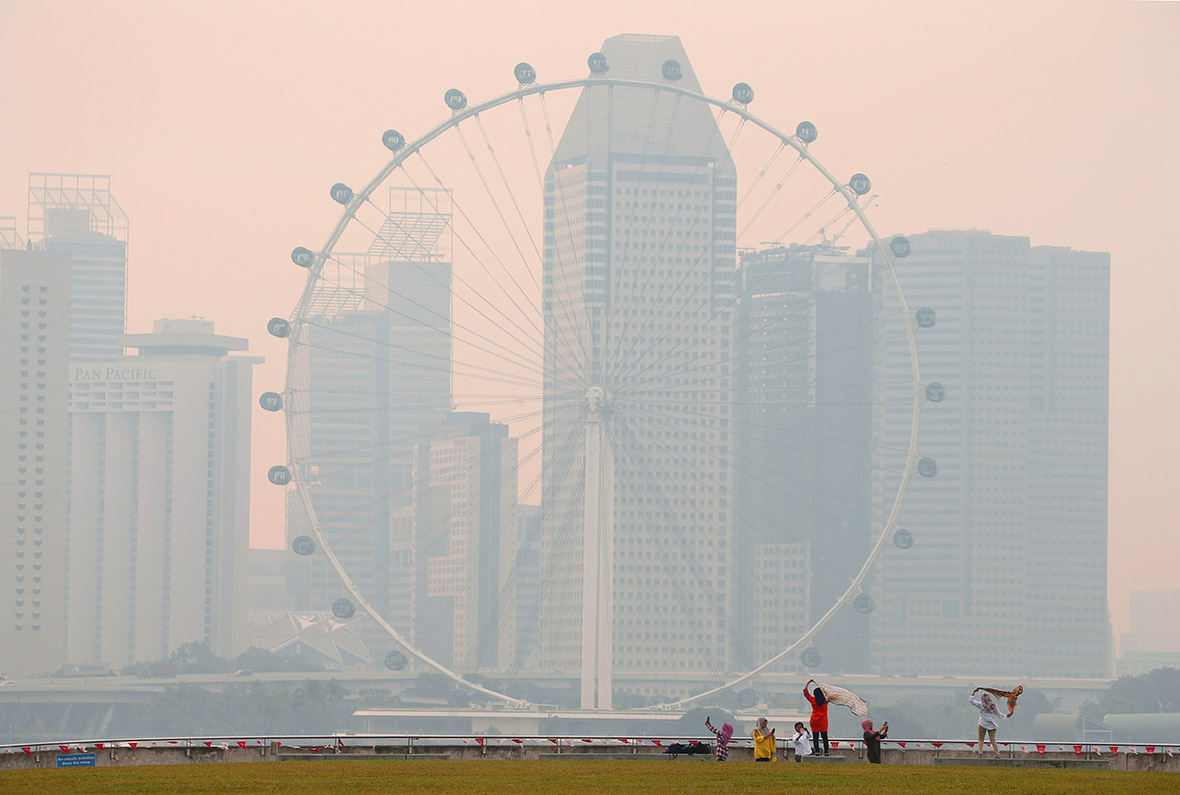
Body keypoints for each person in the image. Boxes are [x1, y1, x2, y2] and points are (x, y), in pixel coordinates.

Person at [969, 690, 1009, 758]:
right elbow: (999, 714)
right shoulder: (993, 705)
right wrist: (1006, 716)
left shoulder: (981, 704)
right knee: (993, 739)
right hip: (992, 724)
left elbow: (972, 701)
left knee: (981, 739)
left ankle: (980, 753)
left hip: (982, 723)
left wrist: (972, 694)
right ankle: (997, 753)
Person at [803, 679, 830, 756]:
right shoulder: (825, 701)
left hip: (814, 720)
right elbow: (831, 695)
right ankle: (826, 751)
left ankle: (817, 751)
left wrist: (808, 683)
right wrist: (823, 687)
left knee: (815, 737)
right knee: (824, 737)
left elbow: (806, 693)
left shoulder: (813, 700)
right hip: (823, 721)